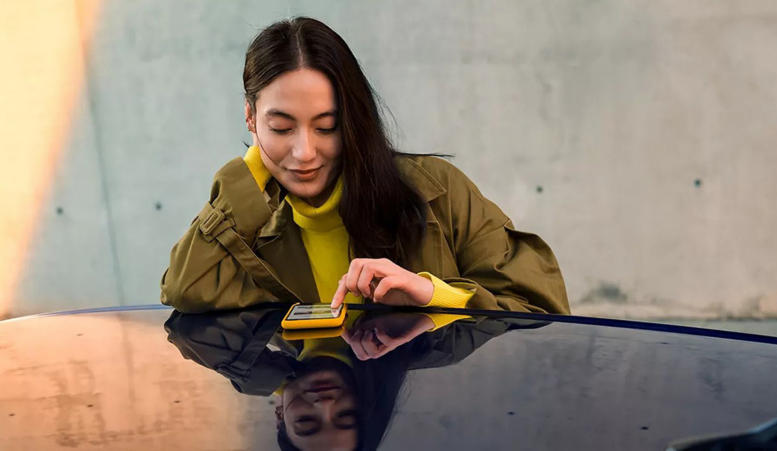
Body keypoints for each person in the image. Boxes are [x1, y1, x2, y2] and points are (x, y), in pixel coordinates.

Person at [160, 16, 570, 317]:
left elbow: (540, 311)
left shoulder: (438, 192)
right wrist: (249, 173)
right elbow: (185, 290)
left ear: (354, 119)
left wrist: (431, 295)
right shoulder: (244, 224)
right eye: (281, 127)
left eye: (327, 127)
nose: (304, 152)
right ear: (250, 117)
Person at [165, 304, 552, 450]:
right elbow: (535, 308)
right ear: (368, 408)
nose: (325, 404)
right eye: (346, 417)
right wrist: (429, 310)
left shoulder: (273, 333)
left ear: (280, 414)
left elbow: (187, 331)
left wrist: (276, 377)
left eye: (306, 421)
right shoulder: (427, 346)